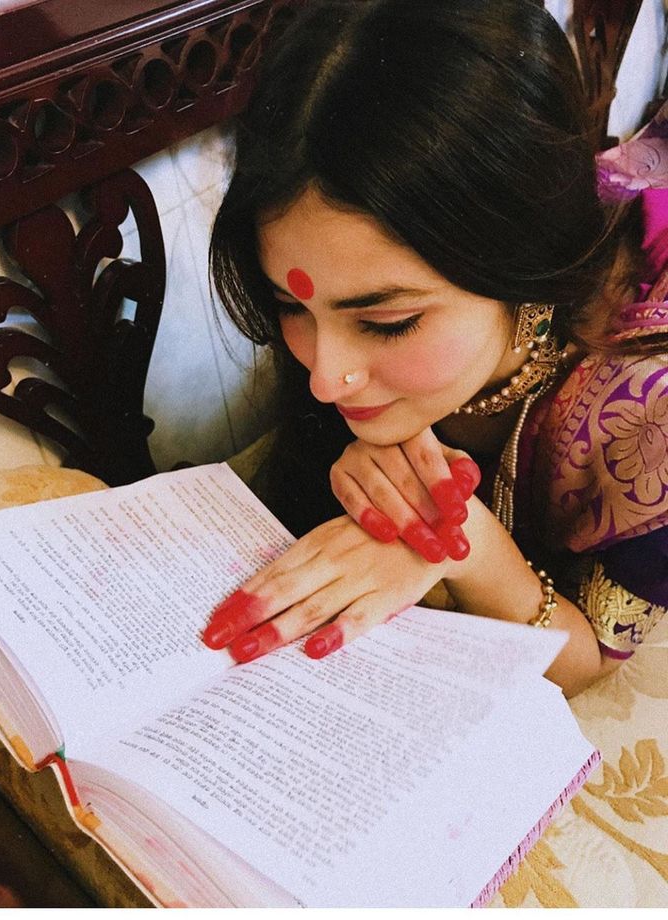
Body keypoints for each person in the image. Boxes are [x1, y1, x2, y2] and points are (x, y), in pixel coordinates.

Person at [204, 0, 668, 697]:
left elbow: (591, 662)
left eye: (389, 324)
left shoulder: (647, 411)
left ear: (521, 276)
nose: (327, 381)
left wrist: (464, 549)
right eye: (288, 305)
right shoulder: (351, 282)